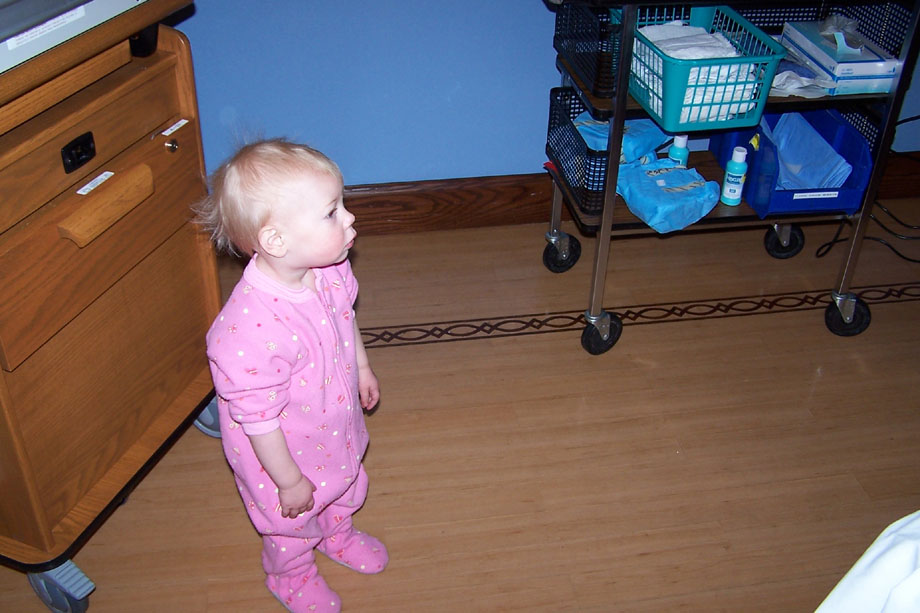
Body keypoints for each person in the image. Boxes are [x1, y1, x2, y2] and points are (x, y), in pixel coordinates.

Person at [196, 139, 387, 612]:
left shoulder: (329, 270)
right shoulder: (247, 332)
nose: (350, 218)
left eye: (342, 204)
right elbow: (258, 421)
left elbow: (345, 318)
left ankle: (336, 533)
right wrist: (288, 481)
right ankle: (291, 576)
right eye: (332, 213)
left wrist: (362, 366)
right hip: (281, 455)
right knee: (291, 524)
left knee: (346, 481)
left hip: (332, 424)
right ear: (276, 241)